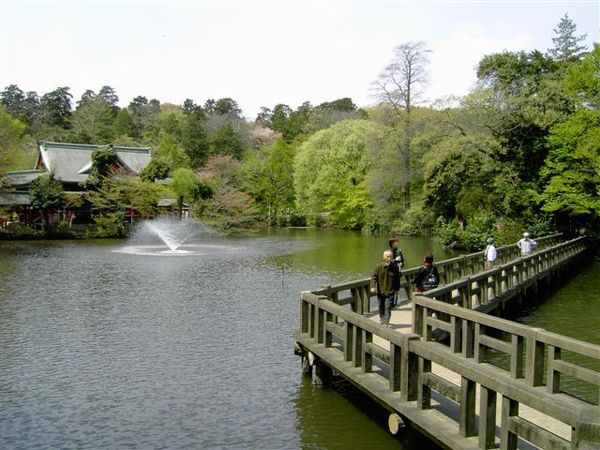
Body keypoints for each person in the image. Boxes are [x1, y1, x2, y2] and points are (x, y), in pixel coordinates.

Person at [370, 250, 400, 327]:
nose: (389, 258)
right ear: (384, 257)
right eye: (387, 256)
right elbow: (373, 277)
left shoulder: (395, 267)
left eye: (391, 257)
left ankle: (386, 322)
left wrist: (397, 290)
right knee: (381, 306)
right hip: (380, 291)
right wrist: (372, 286)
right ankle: (382, 318)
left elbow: (397, 279)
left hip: (390, 291)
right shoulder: (378, 267)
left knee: (388, 307)